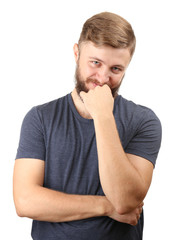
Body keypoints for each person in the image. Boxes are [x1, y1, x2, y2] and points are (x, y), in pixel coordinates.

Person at [13, 12, 162, 240]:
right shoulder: (40, 118)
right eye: (95, 63)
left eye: (115, 69)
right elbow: (25, 202)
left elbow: (124, 201)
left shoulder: (143, 121)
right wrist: (106, 206)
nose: (102, 78)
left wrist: (102, 115)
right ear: (76, 53)